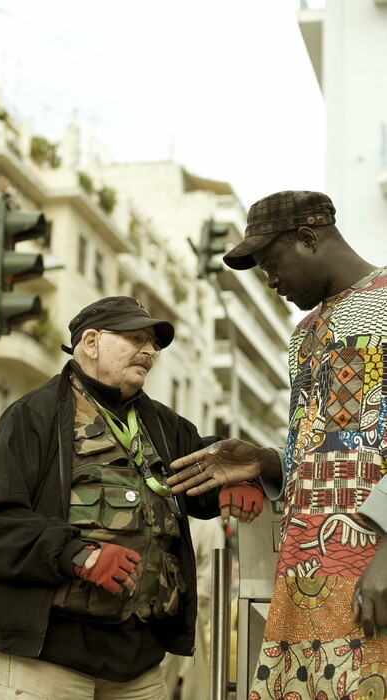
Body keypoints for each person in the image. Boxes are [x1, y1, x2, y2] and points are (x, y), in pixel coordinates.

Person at [0, 295, 246, 700]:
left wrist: (236, 481)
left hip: (138, 663)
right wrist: (79, 554)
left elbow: (206, 470)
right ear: (92, 342)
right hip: (47, 660)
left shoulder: (162, 425)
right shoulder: (34, 416)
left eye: (152, 342)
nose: (149, 351)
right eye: (135, 338)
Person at [167, 191, 387, 698]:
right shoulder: (304, 334)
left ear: (308, 238)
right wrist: (267, 462)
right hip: (303, 577)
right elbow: (339, 448)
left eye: (271, 263)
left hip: (370, 578)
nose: (269, 281)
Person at [161, 516, 226, 700]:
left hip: (193, 608)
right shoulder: (173, 519)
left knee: (193, 669)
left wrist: (190, 604)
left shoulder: (209, 526)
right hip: (168, 607)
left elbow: (212, 573)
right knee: (164, 665)